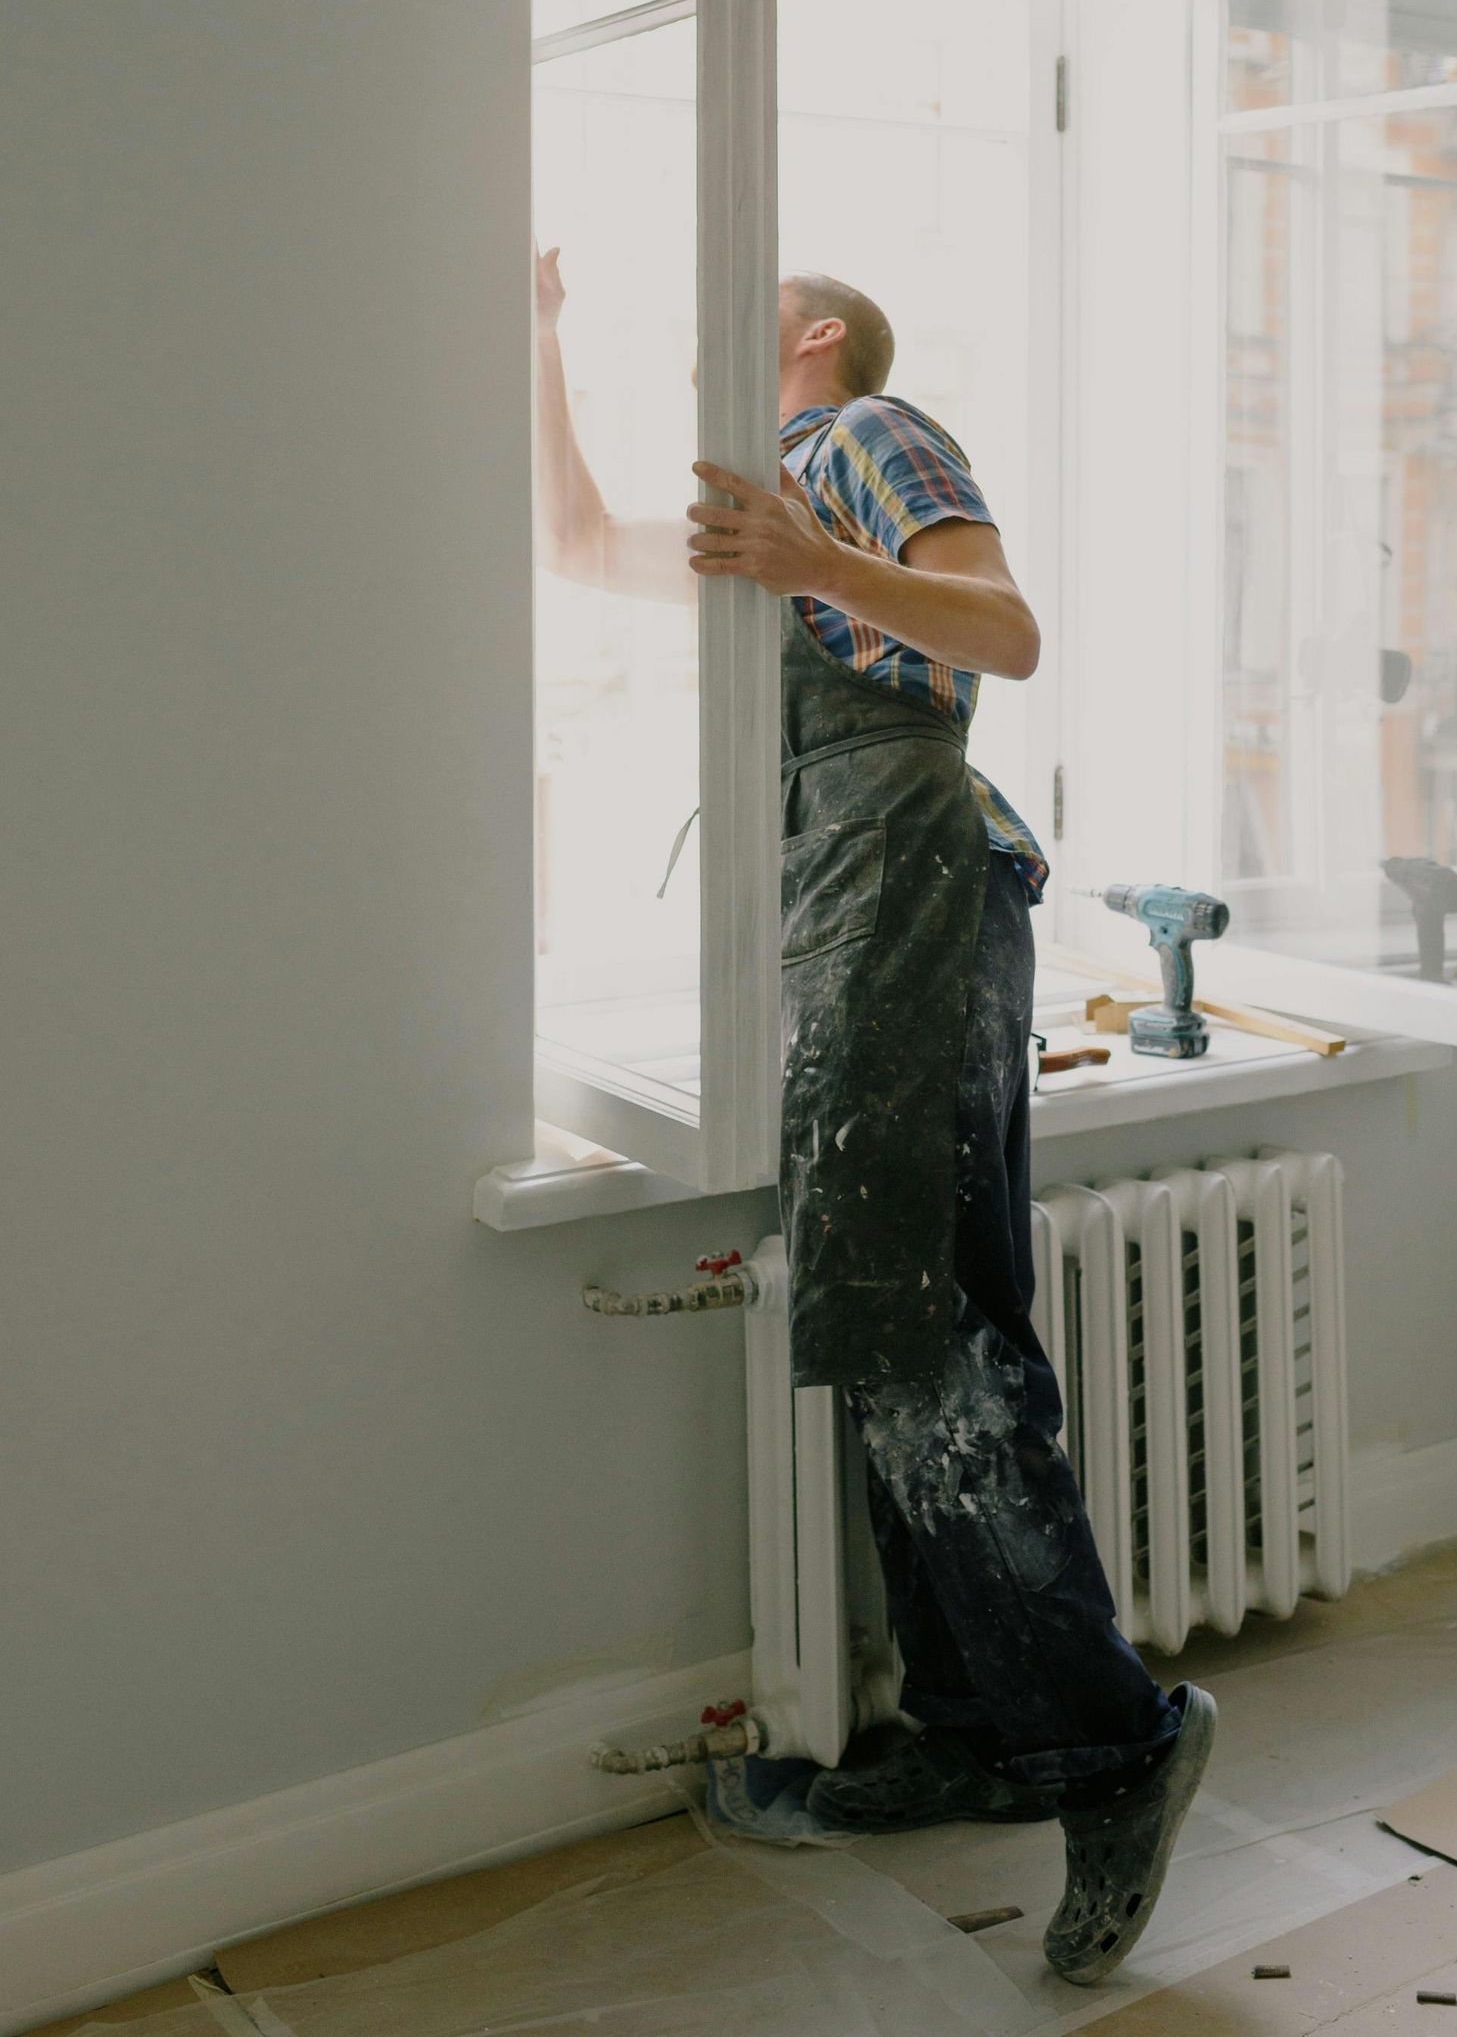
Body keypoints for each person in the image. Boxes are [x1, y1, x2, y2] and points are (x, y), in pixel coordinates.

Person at [536, 255, 1214, 1986]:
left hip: (904, 870)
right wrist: (533, 336)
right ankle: (980, 1732)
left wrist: (805, 555)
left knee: (920, 1340)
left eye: (742, 298)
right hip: (850, 890)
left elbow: (1006, 632)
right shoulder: (760, 501)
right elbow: (576, 546)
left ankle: (1112, 1742)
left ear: (816, 335)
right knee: (910, 1319)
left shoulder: (860, 435)